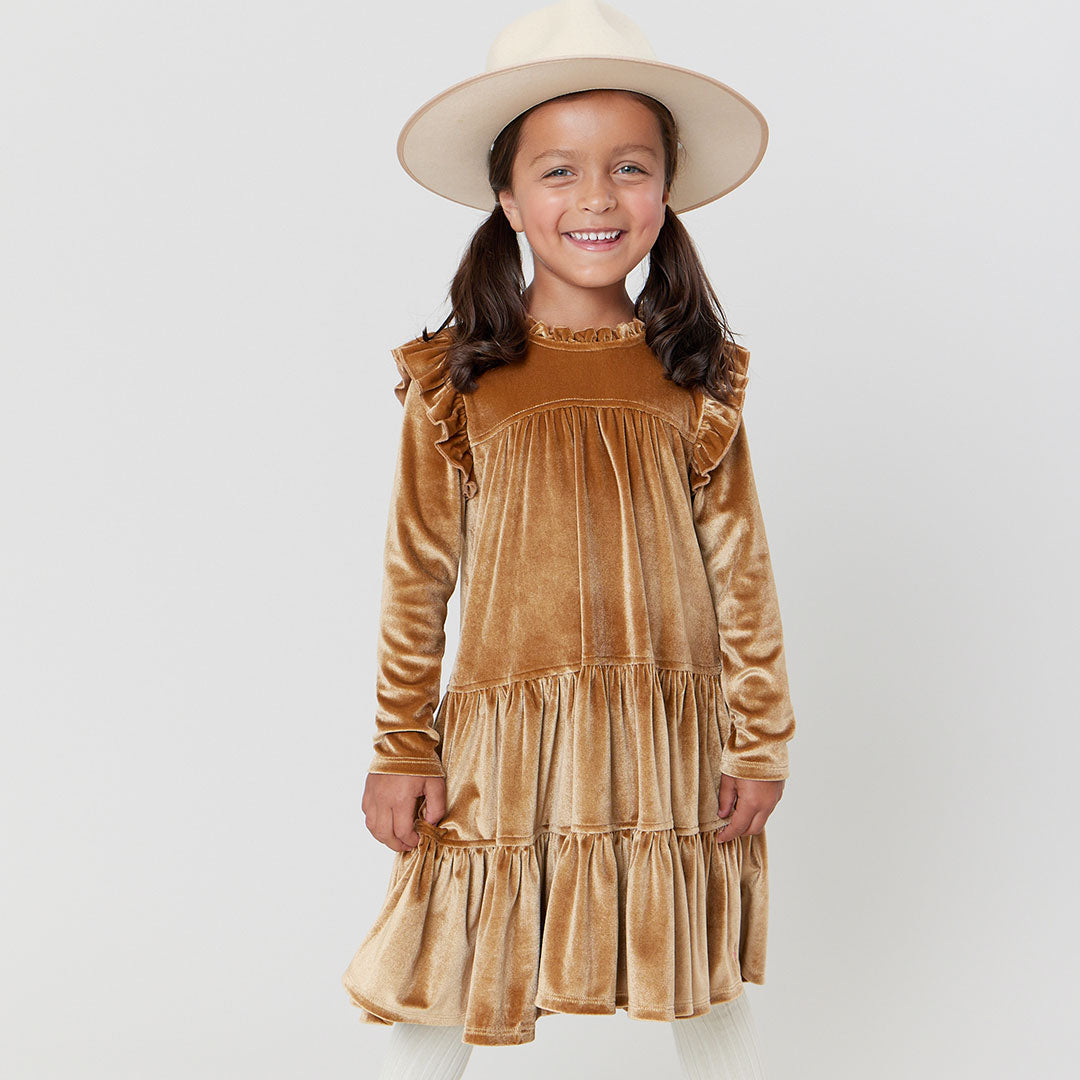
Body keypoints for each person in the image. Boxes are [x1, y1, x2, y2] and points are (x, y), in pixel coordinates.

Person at [341, 2, 797, 1077]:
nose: (597, 198)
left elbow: (742, 571)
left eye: (630, 168)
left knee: (696, 969)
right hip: (507, 733)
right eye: (559, 172)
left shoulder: (696, 378)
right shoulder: (458, 378)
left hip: (666, 729)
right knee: (455, 953)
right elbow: (418, 576)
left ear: (666, 191)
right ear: (507, 198)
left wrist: (760, 739)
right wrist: (403, 743)